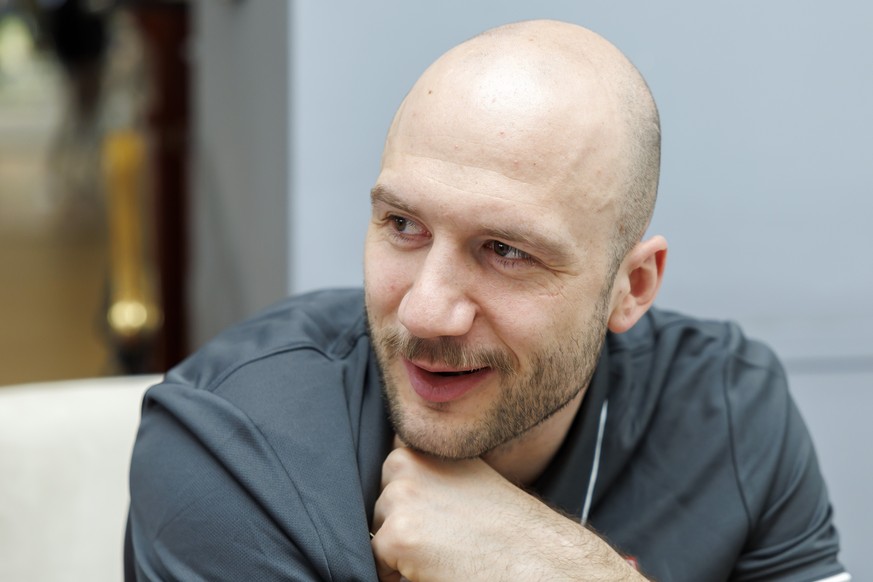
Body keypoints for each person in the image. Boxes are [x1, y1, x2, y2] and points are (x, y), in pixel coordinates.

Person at [125, 19, 849, 582]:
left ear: (630, 290)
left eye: (506, 251)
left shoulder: (726, 404)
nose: (425, 312)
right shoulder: (234, 445)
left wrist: (549, 564)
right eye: (402, 226)